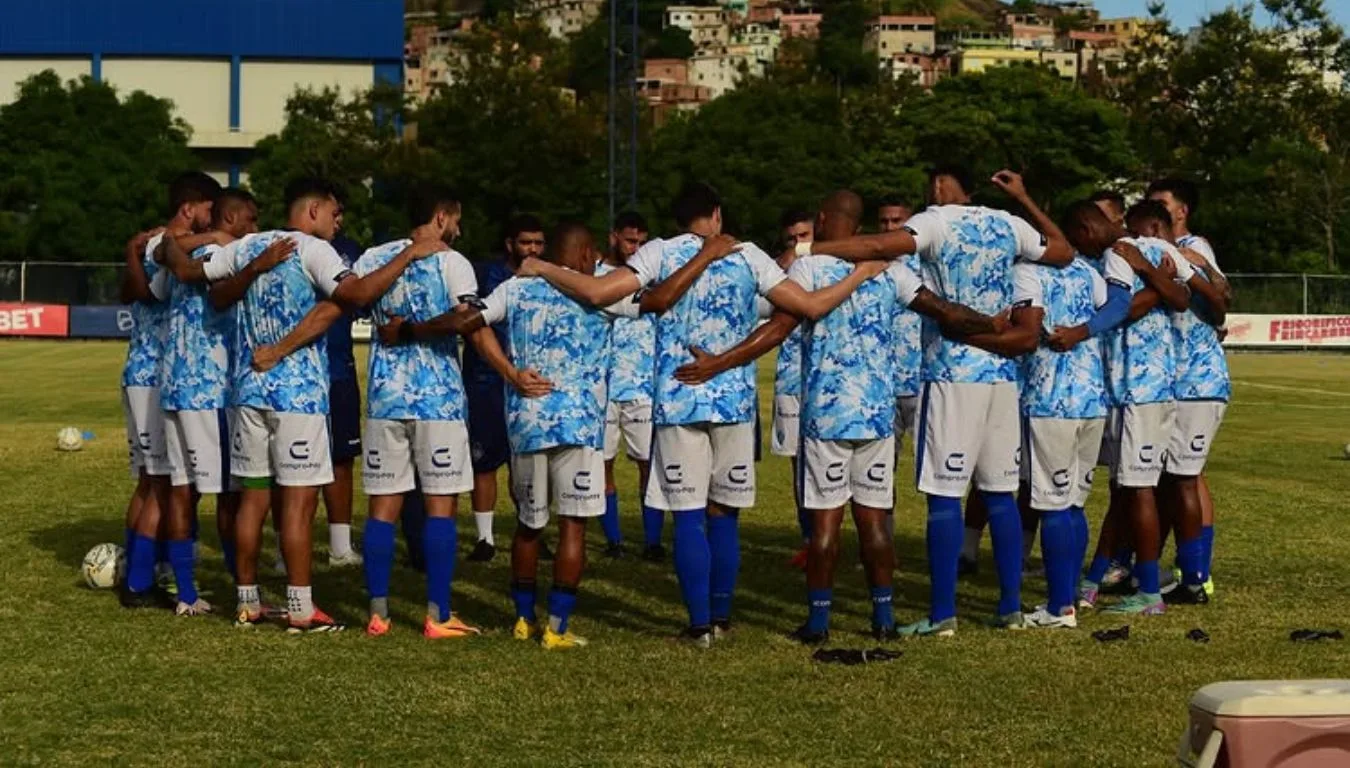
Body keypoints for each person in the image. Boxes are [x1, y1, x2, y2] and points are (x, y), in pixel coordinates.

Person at [516, 182, 893, 647]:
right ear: (716, 214)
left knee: (689, 515)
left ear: (678, 219)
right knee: (724, 515)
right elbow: (810, 307)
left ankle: (698, 626)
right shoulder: (748, 254)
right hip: (733, 402)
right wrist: (861, 274)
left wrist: (541, 267)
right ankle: (721, 614)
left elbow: (597, 292)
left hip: (677, 400)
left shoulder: (659, 252)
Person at [671, 190, 1008, 642]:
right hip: (876, 415)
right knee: (873, 521)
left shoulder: (809, 268)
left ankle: (819, 621)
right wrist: (992, 323)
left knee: (825, 525)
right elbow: (943, 311)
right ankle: (883, 617)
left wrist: (721, 361)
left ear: (825, 218)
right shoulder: (891, 270)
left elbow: (778, 328)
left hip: (827, 416)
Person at [789, 167, 1074, 636]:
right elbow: (1062, 252)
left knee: (944, 495)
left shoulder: (937, 221)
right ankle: (1010, 606)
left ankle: (943, 613)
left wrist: (809, 249)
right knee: (999, 495)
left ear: (945, 186)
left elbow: (883, 248)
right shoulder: (1008, 223)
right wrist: (1025, 198)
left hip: (952, 371)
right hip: (1002, 377)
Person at [201, 177, 442, 632]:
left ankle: (248, 601)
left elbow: (214, 292)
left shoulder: (251, 244)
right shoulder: (314, 250)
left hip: (249, 390)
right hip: (297, 398)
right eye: (334, 213)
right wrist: (407, 254)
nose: (338, 222)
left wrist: (251, 273)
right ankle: (300, 606)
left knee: (252, 500)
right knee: (297, 503)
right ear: (312, 211)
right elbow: (355, 295)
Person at [381, 223, 637, 650]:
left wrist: (413, 331)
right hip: (580, 426)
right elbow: (660, 302)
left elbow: (467, 319)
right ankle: (556, 627)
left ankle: (522, 618)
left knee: (528, 525)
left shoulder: (516, 289)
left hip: (527, 421)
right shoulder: (601, 293)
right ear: (588, 252)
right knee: (573, 526)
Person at [1051, 200, 1195, 616]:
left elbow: (1120, 309)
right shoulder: (1156, 249)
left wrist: (1082, 328)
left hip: (1137, 388)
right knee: (1124, 489)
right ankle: (1095, 578)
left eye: (1079, 238)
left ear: (1086, 228)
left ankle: (1149, 592)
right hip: (1150, 386)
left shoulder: (1119, 254)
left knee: (1138, 488)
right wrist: (1156, 284)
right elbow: (1187, 291)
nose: (1081, 248)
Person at [151, 188, 261, 615]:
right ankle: (242, 588)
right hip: (210, 387)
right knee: (229, 496)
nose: (254, 227)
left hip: (175, 384)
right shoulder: (228, 251)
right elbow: (173, 259)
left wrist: (203, 239)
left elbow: (165, 251)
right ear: (231, 218)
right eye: (249, 218)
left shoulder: (183, 243)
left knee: (183, 490)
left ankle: (186, 593)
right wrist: (218, 241)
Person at [118, 170, 221, 609]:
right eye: (209, 211)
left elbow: (131, 290)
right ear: (190, 208)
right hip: (155, 374)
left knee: (151, 482)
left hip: (145, 371)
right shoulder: (163, 245)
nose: (212, 219)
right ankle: (139, 582)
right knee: (161, 484)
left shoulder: (154, 244)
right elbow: (144, 292)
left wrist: (132, 253)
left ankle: (141, 570)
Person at [1123, 200, 1230, 606]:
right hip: (1170, 384)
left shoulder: (1187, 252)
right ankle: (1166, 571)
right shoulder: (1164, 255)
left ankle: (1195, 577)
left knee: (1184, 477)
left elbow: (1220, 302)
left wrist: (1180, 270)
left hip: (1196, 384)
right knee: (1169, 479)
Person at [462, 215, 547, 562]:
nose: (533, 249)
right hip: (485, 381)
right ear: (510, 244)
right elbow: (470, 321)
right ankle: (485, 538)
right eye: (526, 242)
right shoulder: (486, 276)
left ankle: (531, 530)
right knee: (484, 462)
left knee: (526, 462)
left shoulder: (547, 277)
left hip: (528, 383)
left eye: (539, 243)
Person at [596, 211, 657, 559]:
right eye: (631, 240)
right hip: (603, 389)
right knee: (603, 463)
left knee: (648, 463)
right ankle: (613, 540)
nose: (636, 248)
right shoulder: (594, 276)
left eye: (642, 242)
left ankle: (652, 541)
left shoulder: (652, 275)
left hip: (642, 386)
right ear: (614, 236)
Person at [775, 208, 815, 570]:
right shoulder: (777, 270)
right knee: (797, 465)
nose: (799, 244)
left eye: (805, 236)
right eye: (792, 238)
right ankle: (808, 540)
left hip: (824, 380)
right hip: (789, 379)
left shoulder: (829, 264)